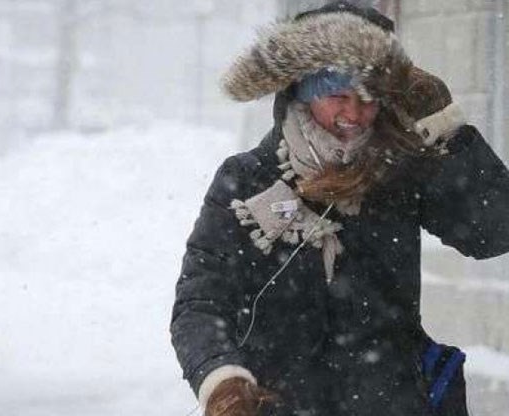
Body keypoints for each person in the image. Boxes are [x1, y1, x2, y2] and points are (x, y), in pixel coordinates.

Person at [170, 2, 509, 416]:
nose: (354, 114)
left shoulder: (400, 174)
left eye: (369, 99)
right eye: (338, 96)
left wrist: (446, 127)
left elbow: (494, 229)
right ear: (303, 92)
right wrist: (222, 380)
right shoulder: (247, 178)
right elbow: (201, 300)